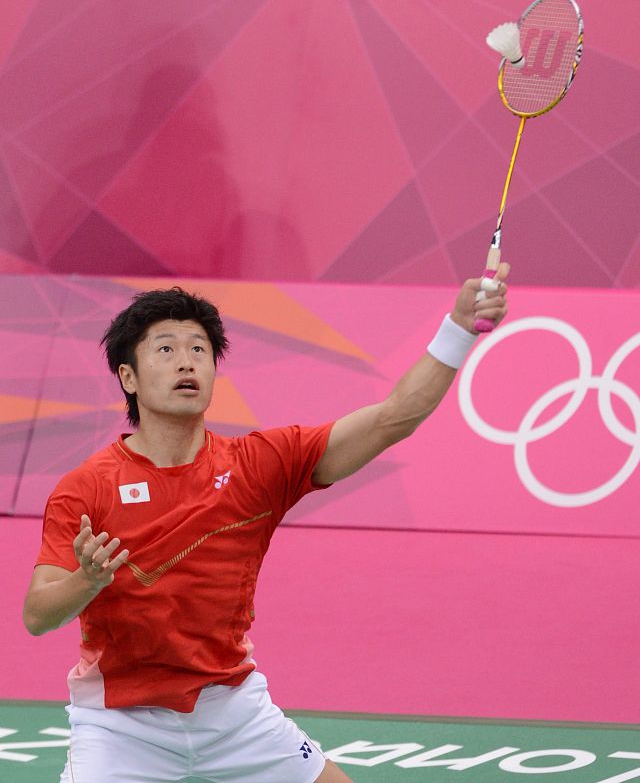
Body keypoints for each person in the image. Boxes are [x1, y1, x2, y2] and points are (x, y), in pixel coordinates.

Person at [23, 267, 509, 783]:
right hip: (121, 725)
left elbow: (394, 417)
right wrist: (87, 581)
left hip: (233, 714)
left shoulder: (260, 465)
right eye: (165, 349)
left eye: (199, 350)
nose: (186, 361)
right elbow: (37, 614)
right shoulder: (87, 488)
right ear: (128, 378)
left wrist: (459, 329)